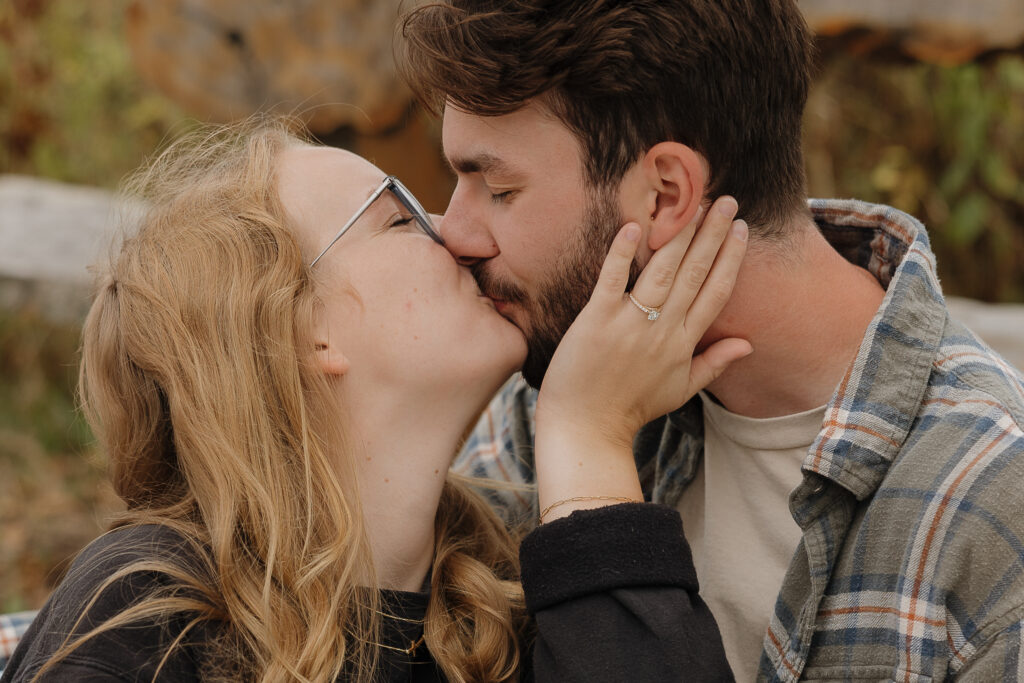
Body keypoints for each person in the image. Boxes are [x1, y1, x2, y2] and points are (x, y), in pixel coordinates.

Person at [398, 1, 1024, 680]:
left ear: (665, 194)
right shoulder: (539, 412)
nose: (453, 232)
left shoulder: (993, 507)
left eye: (496, 186)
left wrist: (586, 438)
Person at [0, 120, 748, 682]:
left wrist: (588, 438)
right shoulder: (152, 614)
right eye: (400, 217)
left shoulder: (500, 605)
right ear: (303, 327)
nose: (455, 234)